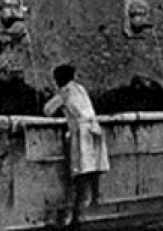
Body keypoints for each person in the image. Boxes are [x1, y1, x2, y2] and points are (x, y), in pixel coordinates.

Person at [43, 64, 109, 226]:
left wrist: (55, 100)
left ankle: (76, 214)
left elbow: (47, 110)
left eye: (56, 79)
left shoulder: (65, 92)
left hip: (82, 133)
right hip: (94, 129)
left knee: (79, 173)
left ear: (60, 79)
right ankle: (89, 205)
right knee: (91, 170)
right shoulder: (80, 89)